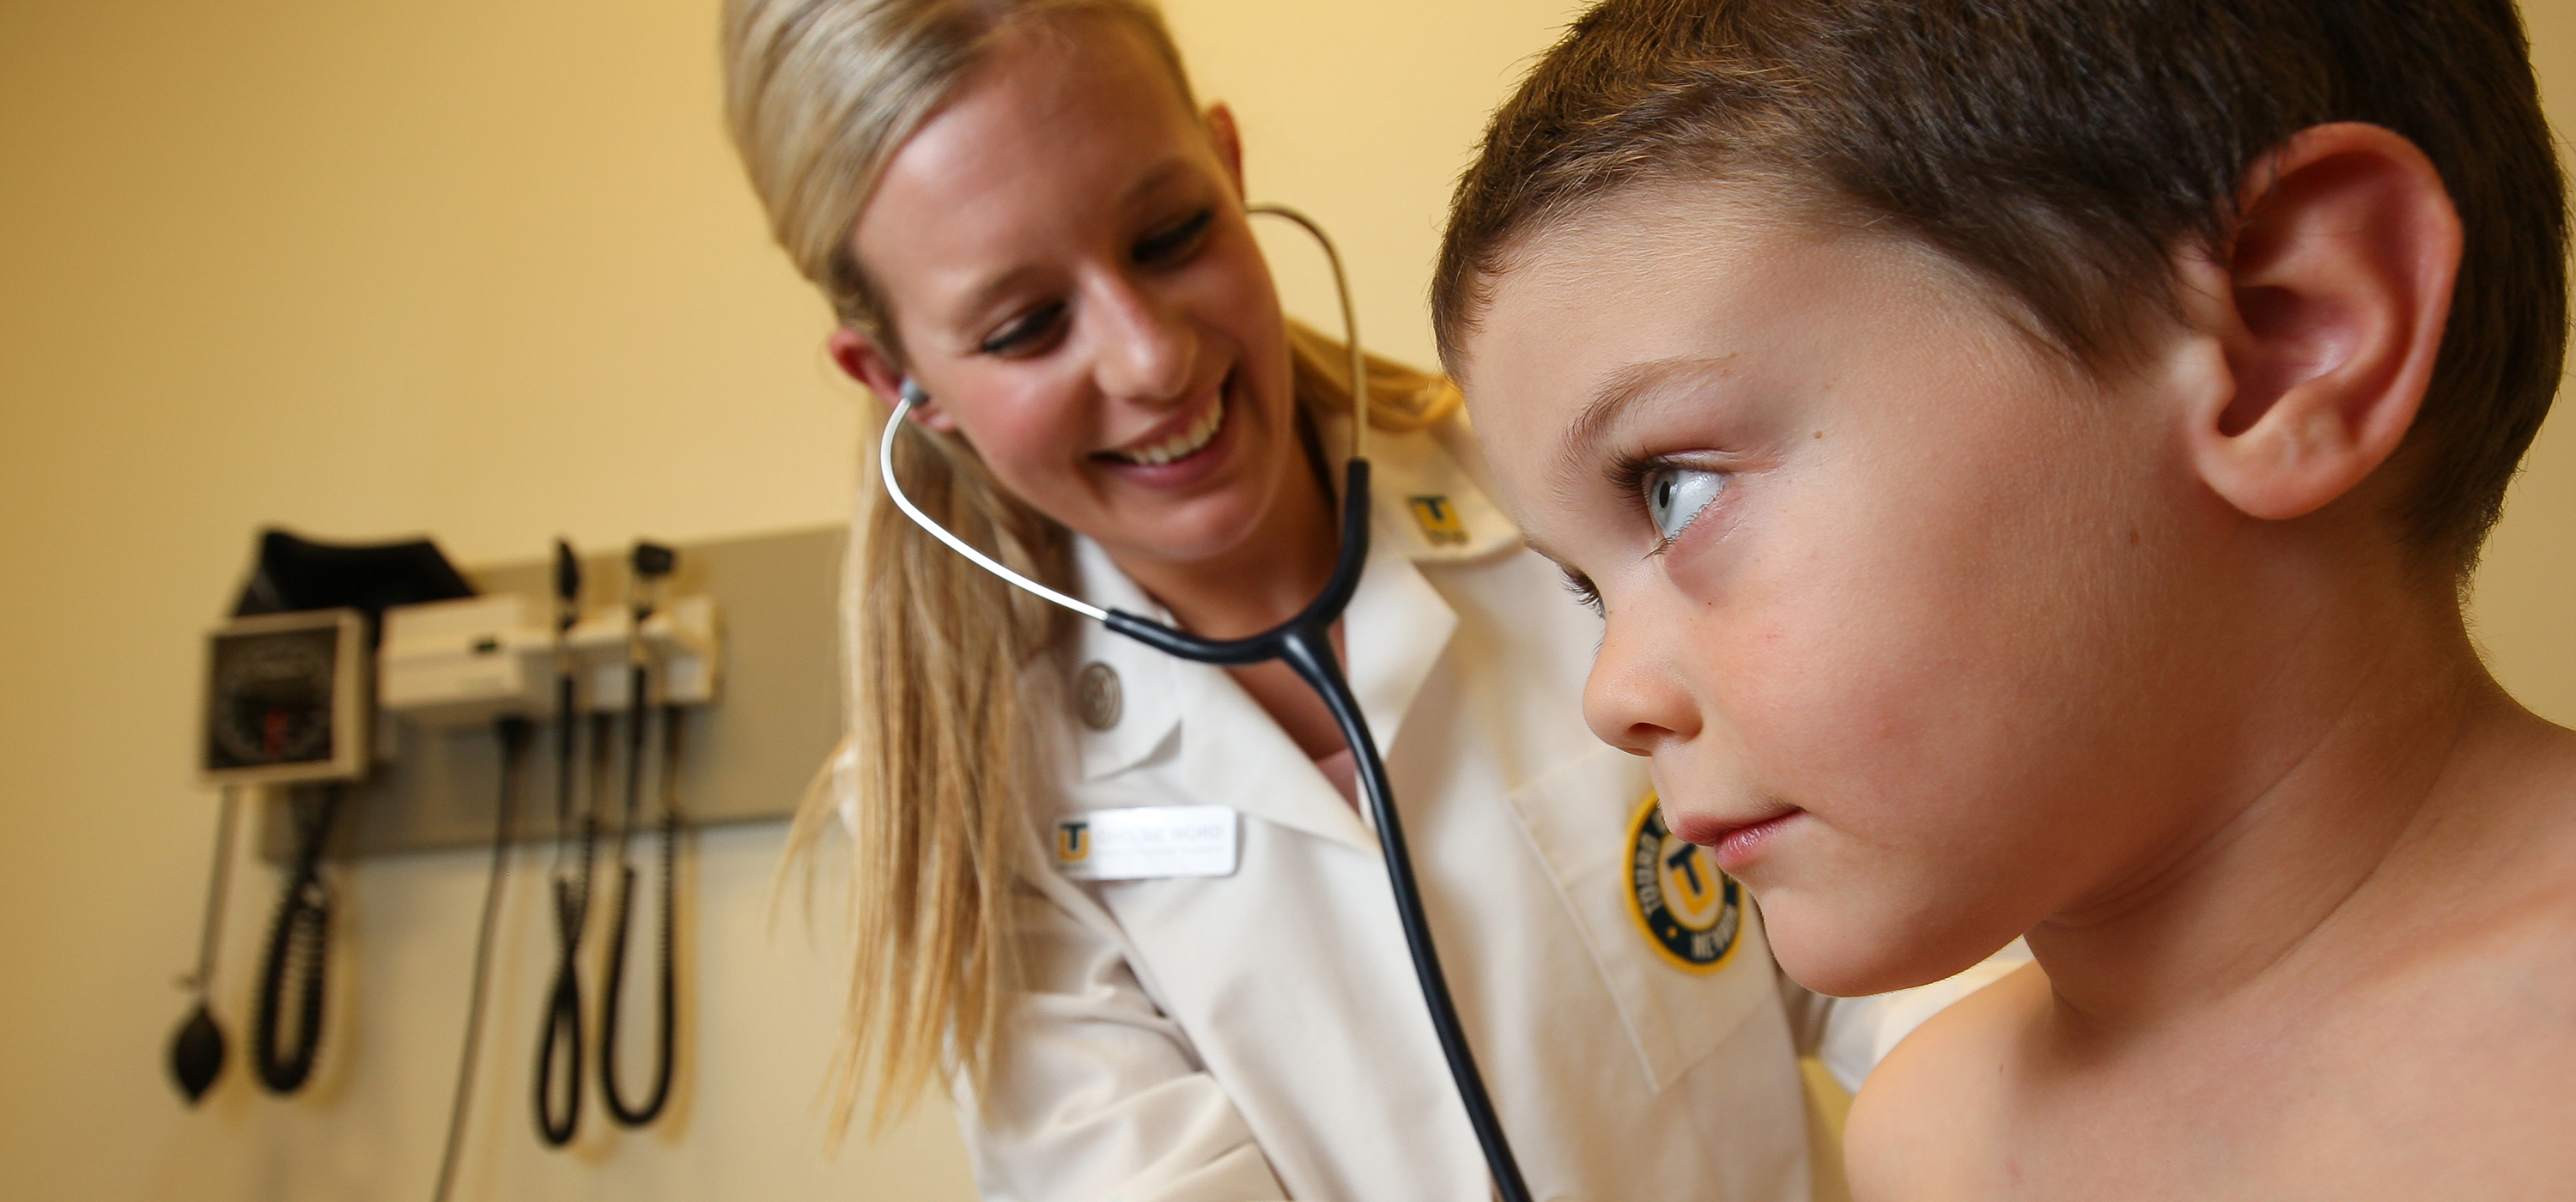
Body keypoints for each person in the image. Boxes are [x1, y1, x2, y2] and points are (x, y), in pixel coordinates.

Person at [721, 2, 2015, 1198]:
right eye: (1024, 326)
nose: (1150, 355)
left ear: (1229, 169)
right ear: (899, 381)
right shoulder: (977, 800)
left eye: (1169, 236)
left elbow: (1918, 960)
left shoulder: (1565, 508)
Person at [1432, 0, 2573, 1197]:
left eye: (1675, 492)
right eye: (1585, 589)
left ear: (2288, 339)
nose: (1613, 699)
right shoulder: (1931, 1136)